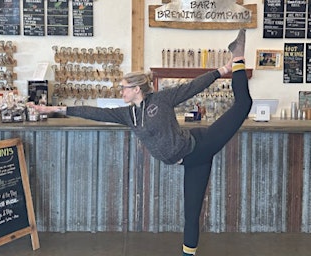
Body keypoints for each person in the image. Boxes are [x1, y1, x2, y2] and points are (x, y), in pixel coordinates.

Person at [28, 29, 252, 256]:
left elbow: (192, 87)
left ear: (136, 89)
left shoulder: (162, 100)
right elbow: (93, 112)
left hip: (201, 145)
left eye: (124, 87)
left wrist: (223, 70)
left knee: (243, 105)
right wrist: (53, 108)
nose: (121, 91)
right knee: (191, 213)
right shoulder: (129, 115)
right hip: (191, 161)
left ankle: (238, 58)